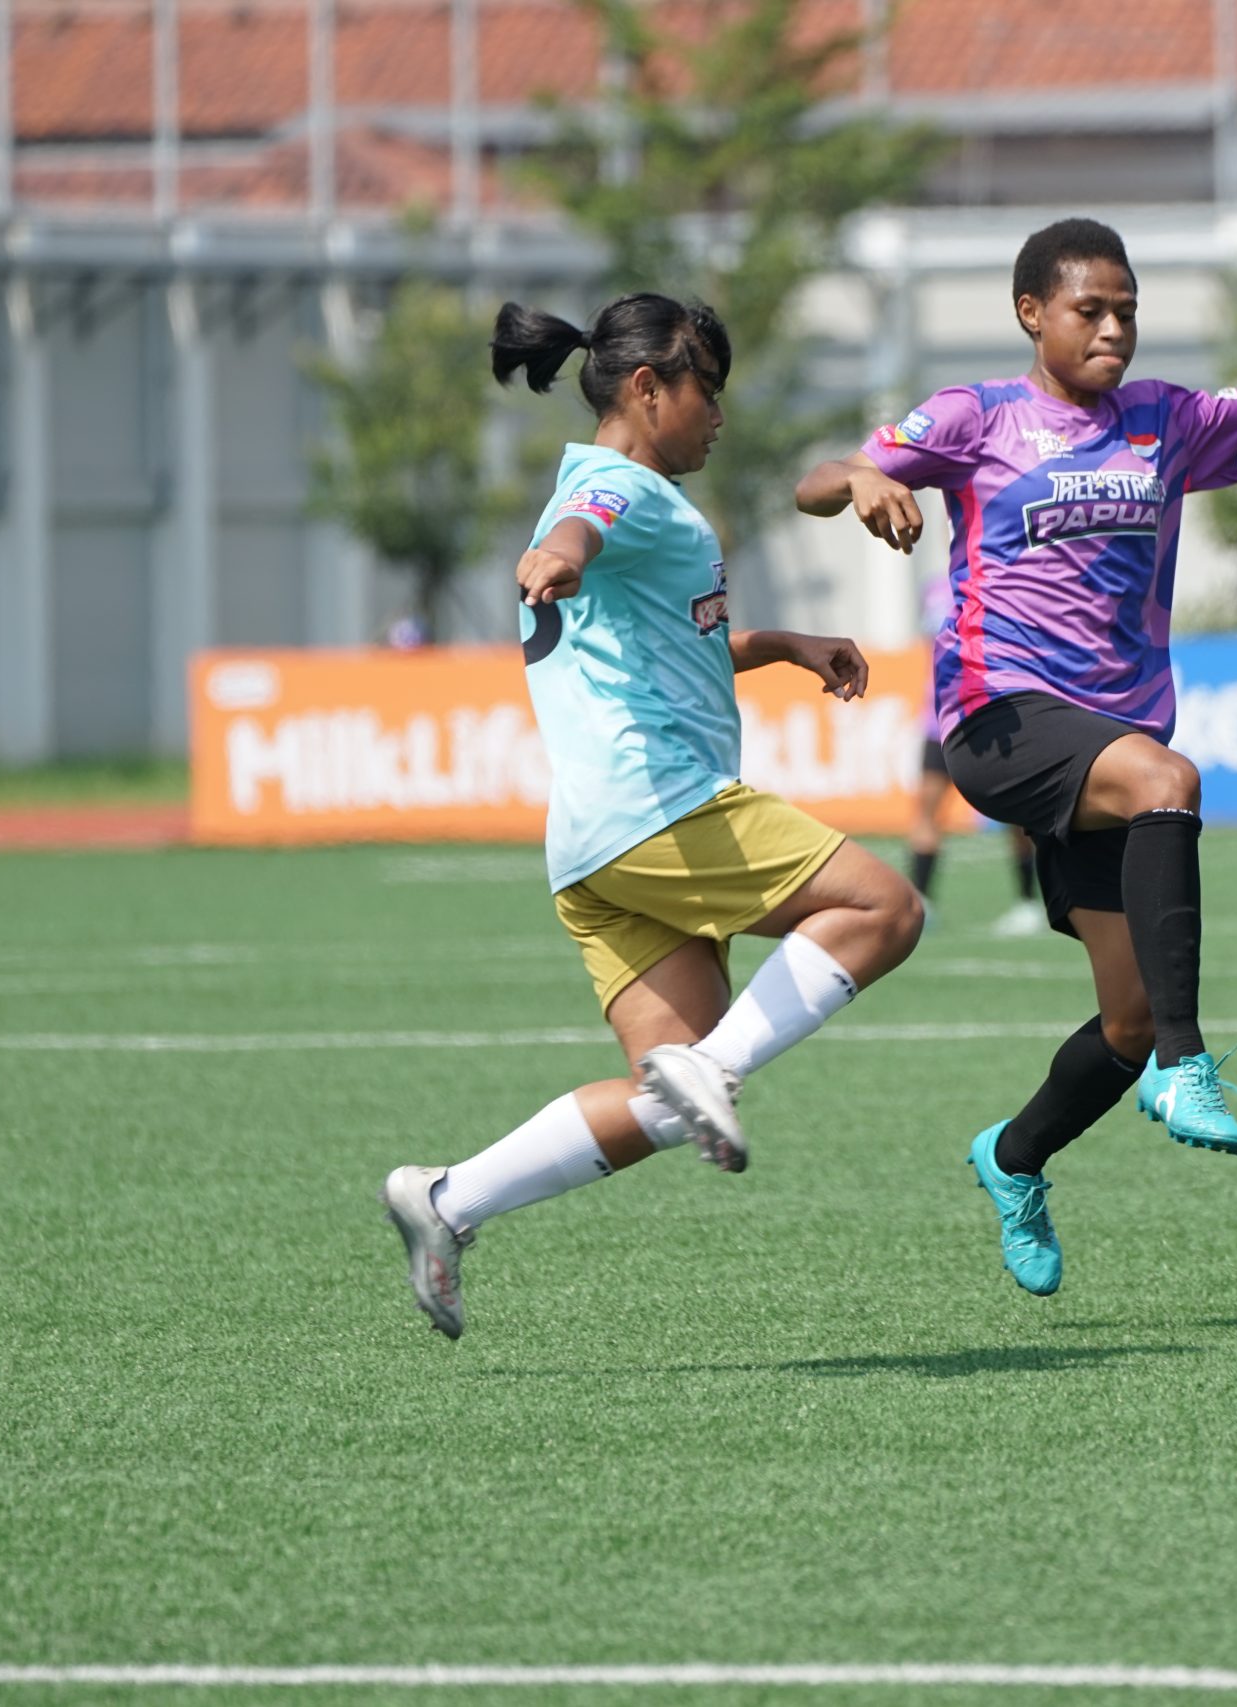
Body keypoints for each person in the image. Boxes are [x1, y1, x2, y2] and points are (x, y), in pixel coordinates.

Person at [797, 214, 1237, 1296]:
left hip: (1111, 739)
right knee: (1172, 787)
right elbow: (816, 482)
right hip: (997, 717)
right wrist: (860, 477)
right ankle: (1186, 1061)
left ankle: (1014, 1156)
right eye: (1090, 310)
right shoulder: (976, 415)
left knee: (1125, 1015)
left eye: (1127, 311)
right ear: (1032, 313)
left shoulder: (1166, 418)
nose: (1113, 328)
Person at [379, 294, 924, 1340]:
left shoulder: (628, 496)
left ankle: (448, 1200)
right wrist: (558, 554)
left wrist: (784, 646)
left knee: (665, 1103)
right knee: (886, 909)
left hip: (593, 850)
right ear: (645, 388)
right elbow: (581, 531)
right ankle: (712, 1067)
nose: (717, 414)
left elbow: (669, 643)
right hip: (656, 806)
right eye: (705, 390)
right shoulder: (617, 489)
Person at [907, 569, 1047, 938]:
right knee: (927, 810)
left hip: (994, 715)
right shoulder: (934, 588)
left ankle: (1028, 902)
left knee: (1017, 813)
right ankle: (920, 903)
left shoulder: (998, 576)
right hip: (939, 719)